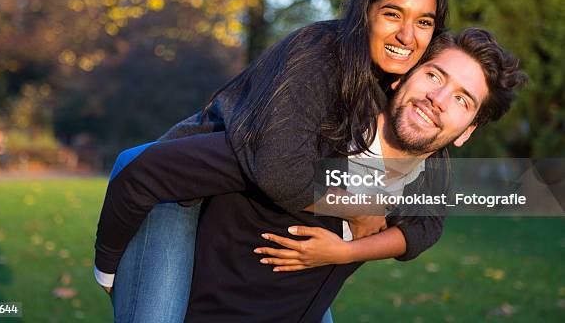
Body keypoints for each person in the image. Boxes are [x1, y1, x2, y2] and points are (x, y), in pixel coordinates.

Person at [94, 0, 449, 322]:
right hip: (181, 193)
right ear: (365, 12)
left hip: (265, 250)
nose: (407, 35)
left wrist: (345, 252)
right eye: (393, 13)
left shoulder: (415, 99)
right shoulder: (319, 55)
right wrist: (357, 207)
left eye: (423, 21)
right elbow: (280, 171)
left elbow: (427, 224)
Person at [97, 28, 526, 322]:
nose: (437, 99)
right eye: (434, 75)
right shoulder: (305, 137)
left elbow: (424, 231)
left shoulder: (426, 180)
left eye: (462, 100)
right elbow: (145, 167)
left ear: (466, 132)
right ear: (402, 78)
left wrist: (348, 250)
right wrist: (108, 268)